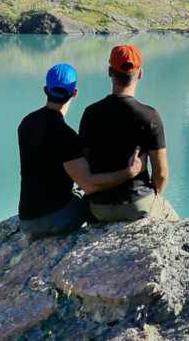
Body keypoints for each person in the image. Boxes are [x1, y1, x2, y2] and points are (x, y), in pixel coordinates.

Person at [17, 63, 142, 238]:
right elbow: (89, 184)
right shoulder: (66, 136)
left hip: (26, 219)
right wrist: (128, 172)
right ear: (74, 93)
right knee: (97, 202)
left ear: (46, 89)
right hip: (53, 220)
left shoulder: (26, 123)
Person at [79, 44, 171, 222]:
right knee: (177, 227)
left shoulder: (90, 113)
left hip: (99, 207)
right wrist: (154, 197)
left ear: (109, 72)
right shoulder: (150, 116)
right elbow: (161, 173)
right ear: (140, 73)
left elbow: (84, 163)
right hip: (138, 204)